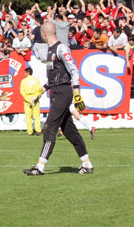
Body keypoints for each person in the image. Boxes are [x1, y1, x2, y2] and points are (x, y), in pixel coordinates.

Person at [24, 22, 93, 175]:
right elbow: (52, 78)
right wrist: (39, 93)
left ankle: (40, 167)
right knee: (69, 131)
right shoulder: (50, 51)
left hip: (63, 92)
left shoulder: (62, 48)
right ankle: (87, 164)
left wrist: (76, 92)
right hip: (56, 91)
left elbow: (74, 70)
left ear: (44, 33)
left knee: (49, 127)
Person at [20, 68, 42, 136]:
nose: (24, 74)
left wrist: (28, 99)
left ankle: (30, 132)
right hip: (35, 99)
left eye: (25, 72)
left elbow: (22, 91)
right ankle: (38, 131)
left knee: (28, 117)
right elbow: (39, 91)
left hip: (27, 100)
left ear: (28, 73)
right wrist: (34, 99)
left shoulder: (24, 81)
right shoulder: (36, 80)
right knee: (36, 116)